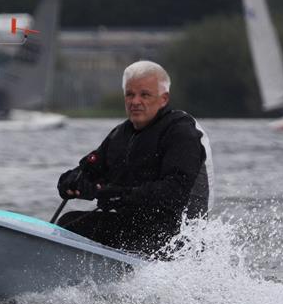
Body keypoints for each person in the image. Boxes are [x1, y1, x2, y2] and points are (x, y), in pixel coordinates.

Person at [56, 60, 211, 258]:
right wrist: (72, 182)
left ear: (164, 99)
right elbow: (91, 169)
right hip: (133, 224)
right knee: (68, 224)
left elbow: (175, 190)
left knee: (77, 226)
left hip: (174, 235)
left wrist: (119, 195)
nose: (135, 101)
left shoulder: (181, 132)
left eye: (144, 95)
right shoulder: (120, 134)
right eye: (130, 94)